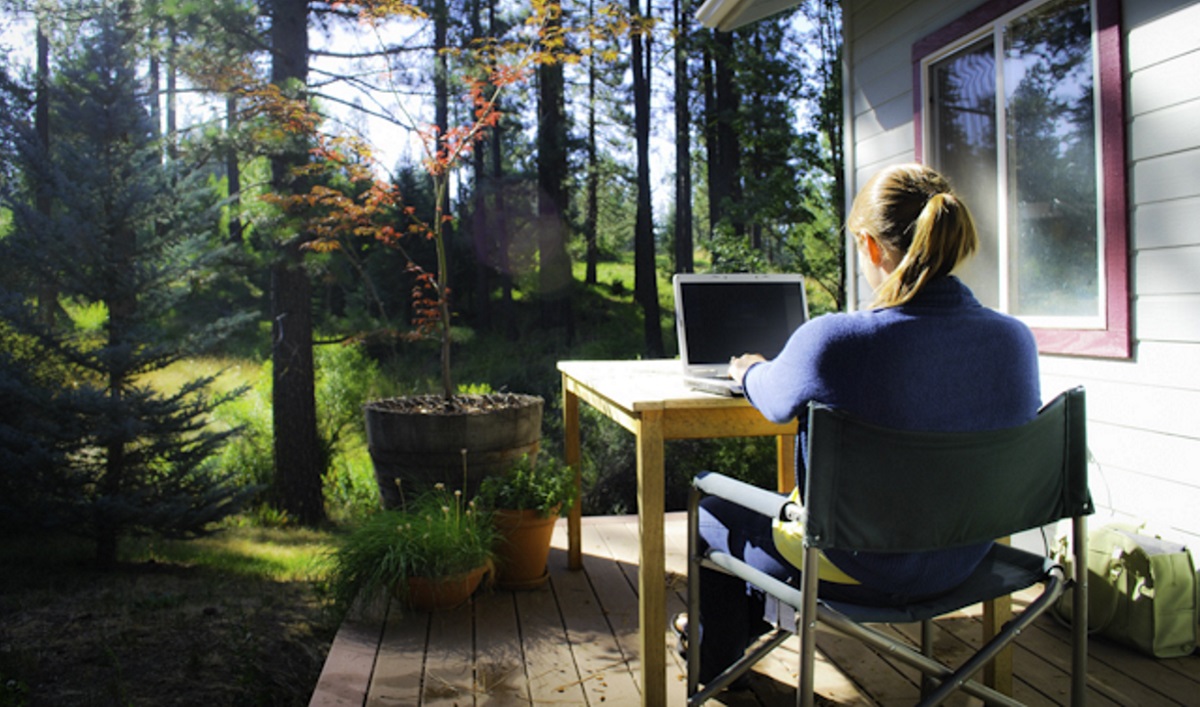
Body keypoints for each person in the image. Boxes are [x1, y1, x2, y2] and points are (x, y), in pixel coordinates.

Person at [678, 163, 1041, 687]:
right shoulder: (1015, 341)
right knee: (780, 526)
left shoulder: (834, 341)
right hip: (966, 559)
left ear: (871, 246)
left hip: (858, 567)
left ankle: (715, 665)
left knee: (711, 509)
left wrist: (748, 368)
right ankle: (742, 626)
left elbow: (775, 402)